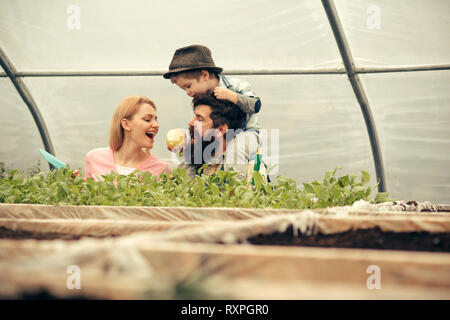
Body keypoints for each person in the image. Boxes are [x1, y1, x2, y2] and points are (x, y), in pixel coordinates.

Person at [163, 44, 261, 133]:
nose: (188, 92)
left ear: (205, 75)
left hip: (246, 133)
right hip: (221, 140)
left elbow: (255, 105)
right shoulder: (200, 98)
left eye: (188, 86)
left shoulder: (235, 85)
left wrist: (231, 96)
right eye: (184, 89)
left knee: (237, 148)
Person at [178, 92, 265, 181]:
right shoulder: (195, 159)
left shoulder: (252, 170)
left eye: (200, 120)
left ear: (221, 130)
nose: (191, 123)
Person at [85, 96, 170, 180]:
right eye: (147, 119)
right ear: (126, 124)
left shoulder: (162, 170)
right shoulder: (94, 158)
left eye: (156, 120)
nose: (156, 125)